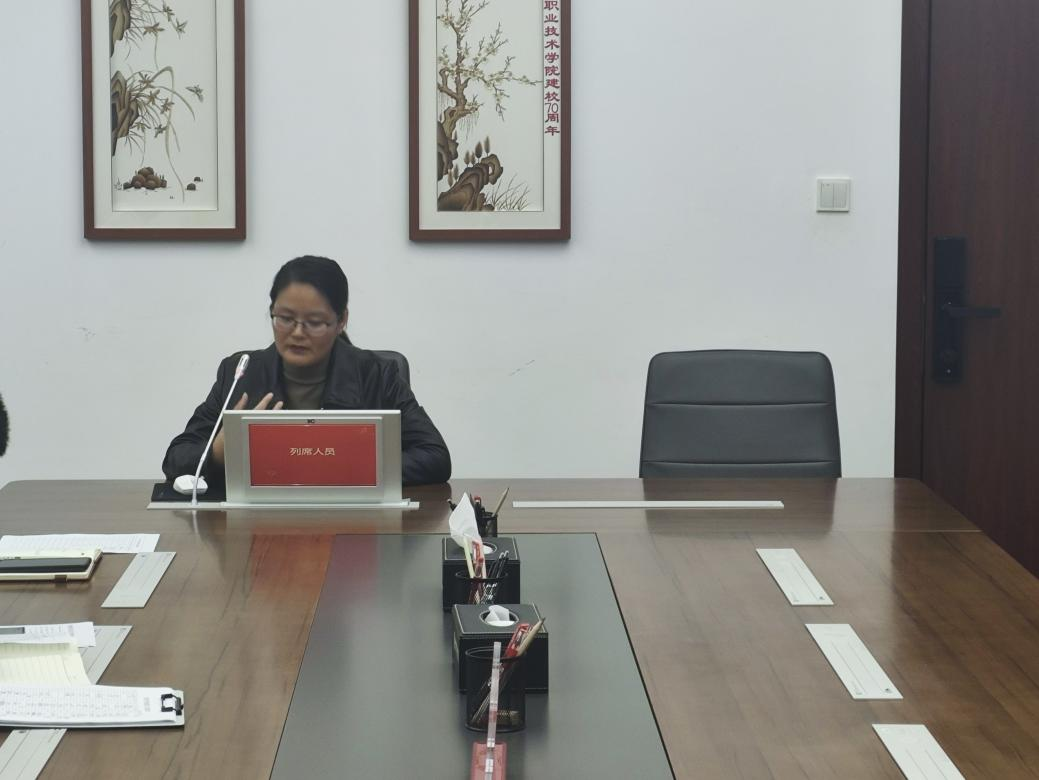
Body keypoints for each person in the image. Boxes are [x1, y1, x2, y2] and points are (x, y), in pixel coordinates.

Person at [162, 255, 451, 486]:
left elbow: (435, 457)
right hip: (261, 522)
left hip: (354, 523)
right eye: (285, 318)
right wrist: (217, 453)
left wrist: (338, 465)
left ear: (341, 320)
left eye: (314, 322)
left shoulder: (376, 374)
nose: (298, 333)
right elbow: (176, 458)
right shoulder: (241, 373)